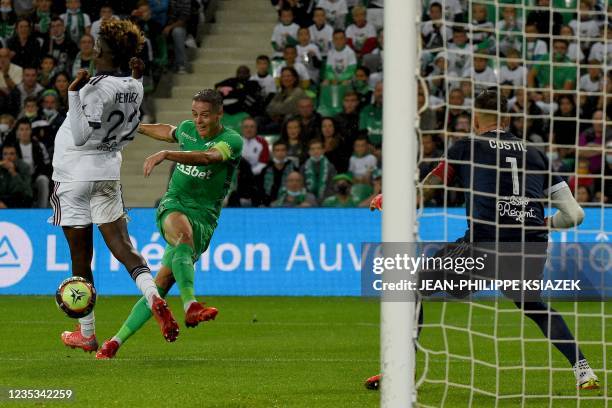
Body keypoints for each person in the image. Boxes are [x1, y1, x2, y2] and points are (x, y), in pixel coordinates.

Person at [365, 89, 600, 391]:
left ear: (476, 118)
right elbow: (575, 215)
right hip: (531, 247)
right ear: (506, 118)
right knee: (533, 306)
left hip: (485, 244)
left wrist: (392, 198)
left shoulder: (467, 147)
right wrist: (543, 222)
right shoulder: (537, 153)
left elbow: (428, 188)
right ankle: (583, 369)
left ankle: (400, 371)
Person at [51, 20, 179, 353]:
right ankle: (153, 296)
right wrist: (136, 77)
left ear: (104, 49)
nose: (92, 45)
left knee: (81, 258)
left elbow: (80, 135)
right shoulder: (134, 86)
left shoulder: (92, 86)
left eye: (97, 42)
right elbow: (127, 112)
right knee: (122, 244)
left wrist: (73, 93)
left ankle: (87, 332)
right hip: (108, 170)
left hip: (74, 174)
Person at [96, 89, 243, 359]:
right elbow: (170, 131)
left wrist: (167, 154)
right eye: (195, 114)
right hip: (174, 204)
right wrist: (134, 126)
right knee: (182, 236)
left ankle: (114, 343)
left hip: (205, 218)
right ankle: (191, 305)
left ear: (219, 114)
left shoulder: (232, 140)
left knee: (160, 285)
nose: (198, 121)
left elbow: (208, 157)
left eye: (205, 116)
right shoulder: (188, 130)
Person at [14, 118, 50, 207]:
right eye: (21, 129)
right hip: (18, 177)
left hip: (35, 177)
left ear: (31, 131)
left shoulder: (39, 146)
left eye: (27, 129)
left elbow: (45, 165)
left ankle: (42, 209)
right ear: (18, 132)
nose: (24, 132)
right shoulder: (12, 147)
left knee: (43, 179)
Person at [260, 139, 298, 206]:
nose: (280, 153)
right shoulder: (266, 169)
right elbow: (261, 190)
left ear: (287, 152)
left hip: (287, 203)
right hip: (268, 204)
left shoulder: (294, 168)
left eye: (283, 150)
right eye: (277, 150)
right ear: (273, 152)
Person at [301, 138, 336, 203]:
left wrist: (323, 200)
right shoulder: (304, 167)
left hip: (326, 199)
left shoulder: (330, 167)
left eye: (318, 148)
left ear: (323, 150)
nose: (316, 151)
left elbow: (332, 186)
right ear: (309, 152)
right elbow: (302, 186)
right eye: (313, 149)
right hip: (309, 200)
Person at [0, 142, 32, 207]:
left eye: (12, 154)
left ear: (16, 155)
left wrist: (13, 172)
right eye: (5, 154)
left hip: (20, 199)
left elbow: (27, 192)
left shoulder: (24, 167)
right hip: (3, 199)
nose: (8, 157)